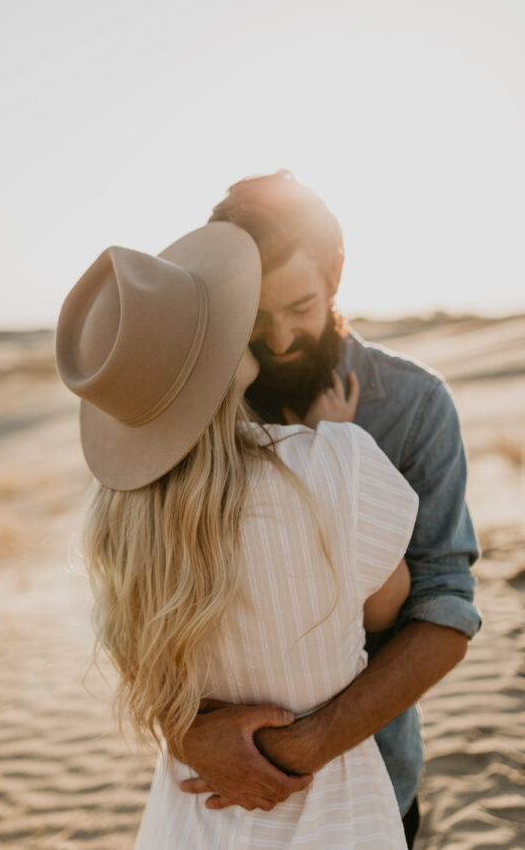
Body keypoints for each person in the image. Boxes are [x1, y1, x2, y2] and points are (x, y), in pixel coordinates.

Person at [54, 222, 420, 848]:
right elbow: (389, 606)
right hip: (331, 820)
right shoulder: (338, 461)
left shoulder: (114, 523)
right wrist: (328, 443)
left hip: (193, 818)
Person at [176, 172, 482, 848]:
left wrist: (305, 747)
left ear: (336, 274)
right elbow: (142, 598)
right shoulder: (197, 410)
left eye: (300, 305)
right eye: (254, 316)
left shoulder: (414, 407)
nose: (279, 337)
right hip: (217, 798)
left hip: (371, 785)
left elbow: (444, 612)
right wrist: (181, 729)